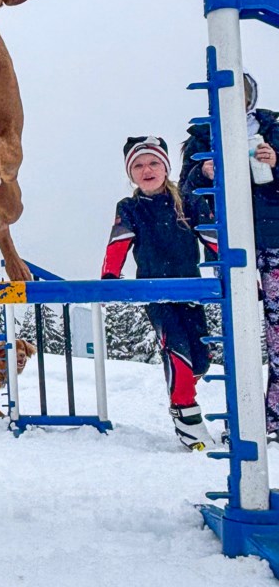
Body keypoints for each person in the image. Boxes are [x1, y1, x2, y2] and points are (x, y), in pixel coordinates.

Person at [102, 136, 219, 451]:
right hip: (156, 292)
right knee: (177, 351)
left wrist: (231, 267)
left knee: (201, 360)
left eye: (153, 163)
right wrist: (110, 276)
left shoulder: (188, 200)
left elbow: (212, 236)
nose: (146, 170)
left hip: (190, 289)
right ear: (131, 174)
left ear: (165, 168)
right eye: (138, 166)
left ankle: (183, 393)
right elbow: (119, 241)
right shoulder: (130, 207)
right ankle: (185, 411)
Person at [180, 71, 279, 443]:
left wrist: (276, 161)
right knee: (238, 333)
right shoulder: (202, 136)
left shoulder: (271, 126)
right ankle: (242, 419)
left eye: (242, 93)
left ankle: (272, 419)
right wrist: (203, 171)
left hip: (272, 238)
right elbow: (186, 190)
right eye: (226, 93)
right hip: (228, 242)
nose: (234, 101)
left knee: (278, 333)